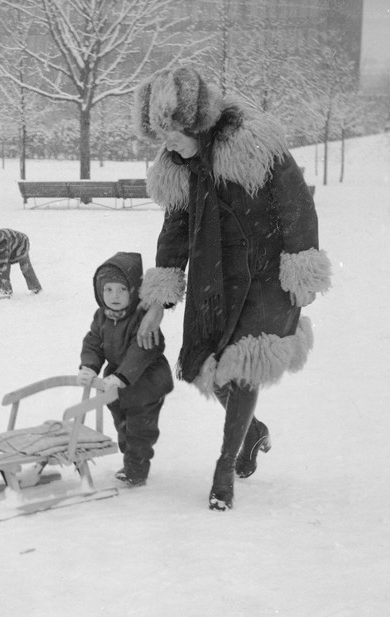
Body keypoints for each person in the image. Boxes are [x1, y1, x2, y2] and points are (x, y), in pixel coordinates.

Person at [132, 67, 332, 511]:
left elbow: (297, 205)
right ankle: (252, 430)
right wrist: (159, 300)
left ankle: (225, 467)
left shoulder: (252, 143)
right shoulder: (178, 166)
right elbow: (175, 231)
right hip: (216, 277)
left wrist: (302, 270)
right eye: (160, 136)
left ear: (196, 120)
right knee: (208, 366)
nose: (167, 144)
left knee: (243, 365)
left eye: (173, 133)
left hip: (265, 276)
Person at [77, 252, 174, 487]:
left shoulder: (143, 319)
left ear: (133, 290)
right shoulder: (102, 317)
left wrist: (122, 376)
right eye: (108, 290)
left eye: (121, 289)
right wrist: (89, 366)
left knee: (140, 428)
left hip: (146, 383)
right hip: (115, 382)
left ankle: (136, 469)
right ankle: (129, 456)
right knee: (122, 424)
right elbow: (93, 343)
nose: (115, 296)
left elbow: (141, 351)